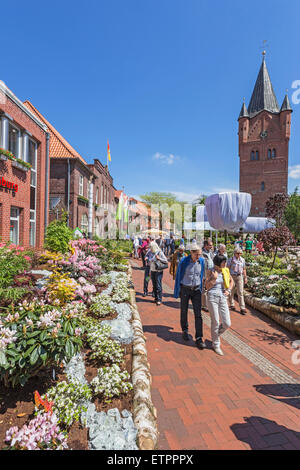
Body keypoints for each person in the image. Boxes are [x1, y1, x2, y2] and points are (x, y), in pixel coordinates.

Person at [174, 244, 206, 350]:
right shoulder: (184, 261)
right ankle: (185, 330)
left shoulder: (201, 261)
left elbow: (202, 275)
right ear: (191, 252)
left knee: (198, 314)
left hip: (196, 290)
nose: (198, 257)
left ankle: (199, 337)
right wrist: (177, 290)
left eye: (200, 255)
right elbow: (178, 275)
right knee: (184, 310)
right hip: (185, 289)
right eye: (196, 254)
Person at [205, 254, 234, 356]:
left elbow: (232, 282)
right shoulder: (210, 271)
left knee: (227, 323)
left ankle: (215, 335)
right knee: (216, 322)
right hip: (212, 297)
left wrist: (229, 290)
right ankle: (216, 344)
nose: (225, 264)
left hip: (222, 297)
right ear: (217, 263)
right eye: (223, 262)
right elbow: (206, 287)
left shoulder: (225, 270)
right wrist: (213, 279)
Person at [227, 247, 247, 315]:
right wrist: (228, 277)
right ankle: (232, 304)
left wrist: (245, 277)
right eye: (238, 253)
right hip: (232, 276)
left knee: (240, 292)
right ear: (234, 253)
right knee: (231, 291)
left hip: (239, 276)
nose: (239, 255)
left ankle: (242, 308)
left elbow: (244, 269)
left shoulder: (242, 260)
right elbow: (227, 268)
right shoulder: (231, 260)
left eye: (240, 253)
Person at [148, 241, 168, 305]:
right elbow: (151, 263)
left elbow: (166, 261)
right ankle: (156, 298)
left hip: (158, 271)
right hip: (153, 271)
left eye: (151, 247)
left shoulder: (159, 252)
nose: (150, 248)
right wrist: (150, 271)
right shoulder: (151, 253)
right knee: (154, 285)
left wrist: (159, 258)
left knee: (158, 285)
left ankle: (159, 299)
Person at [201, 239, 215, 312]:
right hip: (205, 272)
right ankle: (204, 305)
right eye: (210, 245)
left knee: (210, 289)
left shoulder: (211, 252)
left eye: (211, 245)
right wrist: (203, 275)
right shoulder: (201, 253)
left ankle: (207, 304)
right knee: (204, 289)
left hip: (211, 272)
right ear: (205, 245)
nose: (211, 246)